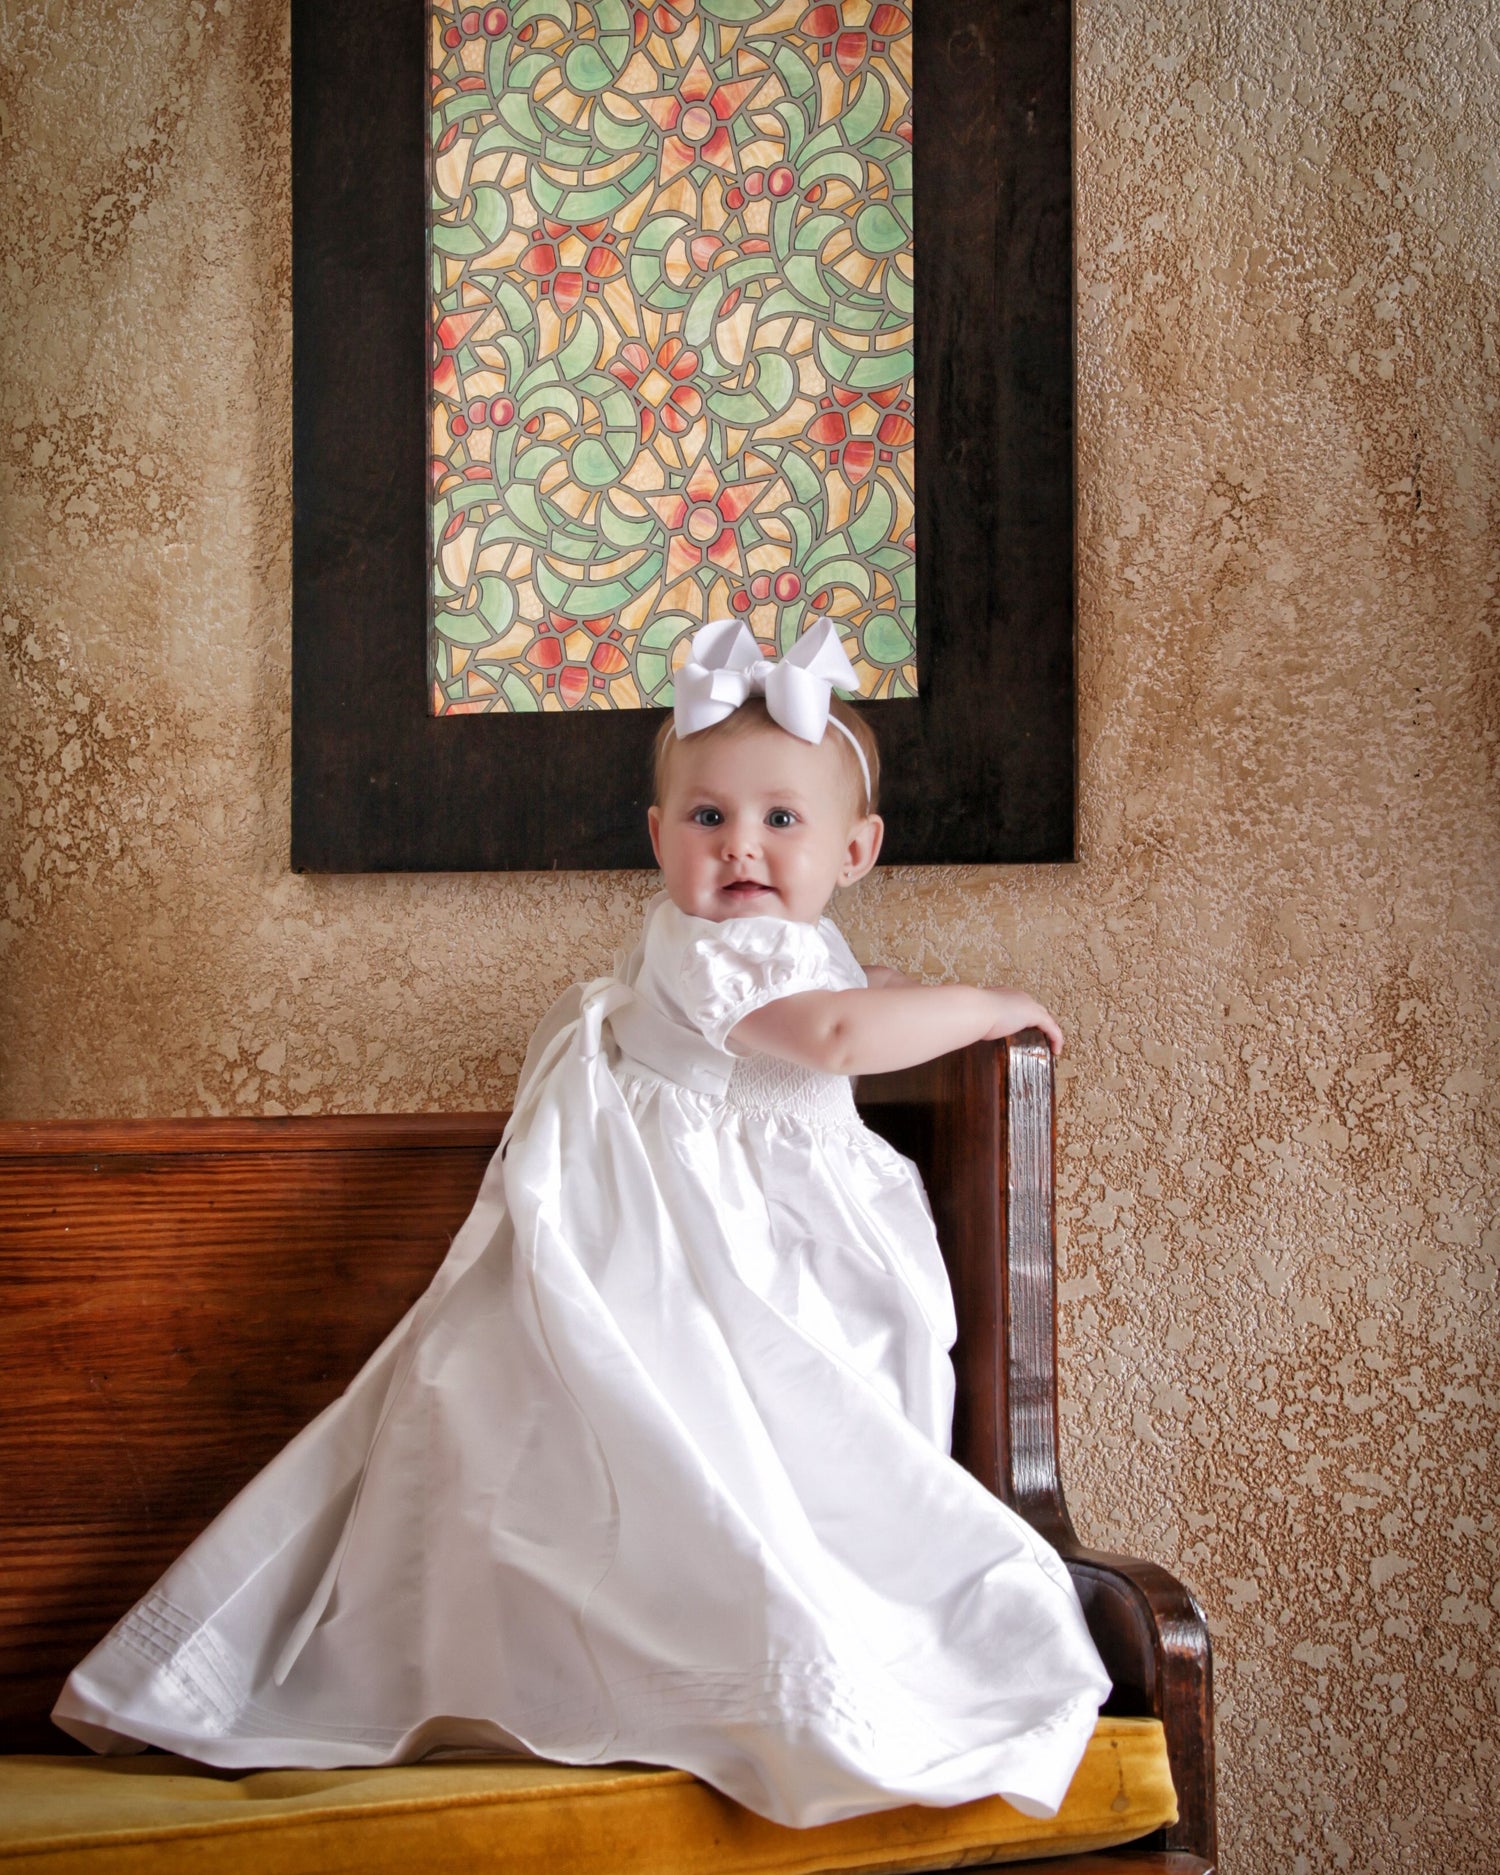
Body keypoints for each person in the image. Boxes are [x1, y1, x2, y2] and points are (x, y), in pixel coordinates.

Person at [53, 619, 1110, 1829]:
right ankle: (781, 1664)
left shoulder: (777, 947)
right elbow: (828, 1036)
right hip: (708, 1249)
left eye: (781, 819)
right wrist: (985, 1004)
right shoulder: (716, 956)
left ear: (855, 851)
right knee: (756, 1443)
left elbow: (833, 997)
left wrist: (883, 987)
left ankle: (841, 1621)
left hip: (759, 1226)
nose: (742, 845)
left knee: (837, 1434)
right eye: (708, 818)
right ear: (660, 840)